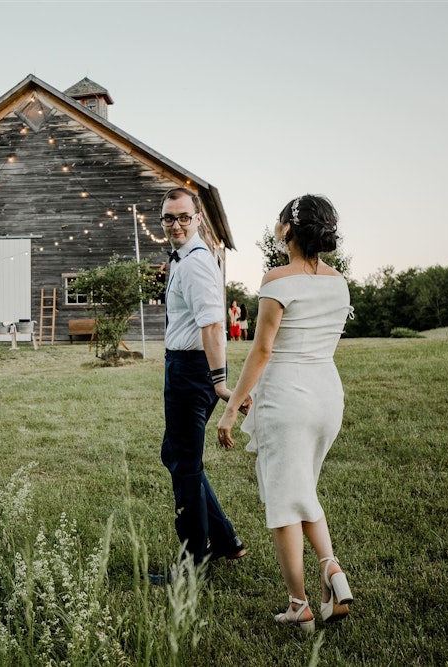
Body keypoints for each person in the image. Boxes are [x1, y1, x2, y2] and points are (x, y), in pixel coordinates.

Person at [216, 194, 354, 631]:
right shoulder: (339, 281)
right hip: (327, 396)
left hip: (288, 398)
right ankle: (331, 568)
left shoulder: (277, 279)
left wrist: (230, 410)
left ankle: (299, 605)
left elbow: (261, 351)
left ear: (288, 229)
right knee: (302, 488)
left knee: (282, 503)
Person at [150, 187, 246, 585]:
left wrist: (219, 381)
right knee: (174, 453)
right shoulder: (183, 259)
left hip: (193, 372)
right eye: (169, 218)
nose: (176, 225)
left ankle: (194, 567)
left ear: (198, 219)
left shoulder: (195, 264)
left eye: (183, 217)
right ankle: (226, 539)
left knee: (184, 467)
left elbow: (212, 325)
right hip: (183, 367)